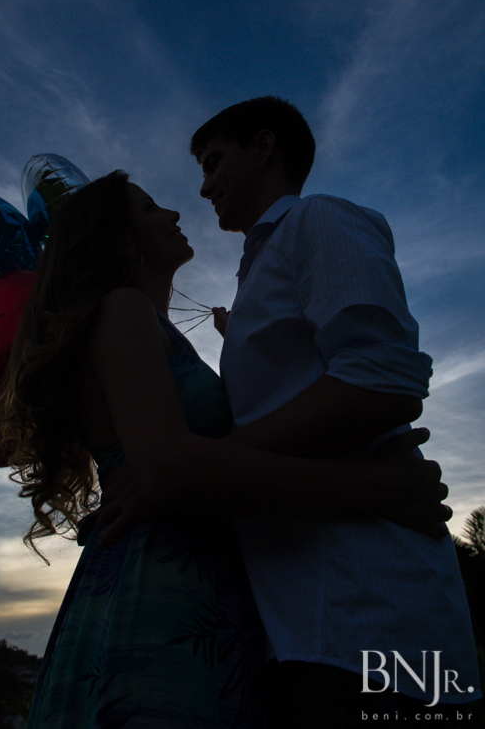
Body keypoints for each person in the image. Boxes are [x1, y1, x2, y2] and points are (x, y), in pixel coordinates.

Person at [0, 169, 450, 729]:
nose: (174, 214)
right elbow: (171, 471)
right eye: (151, 208)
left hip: (199, 575)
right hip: (160, 579)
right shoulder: (122, 308)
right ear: (119, 239)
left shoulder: (148, 324)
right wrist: (377, 488)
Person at [188, 96, 481, 726]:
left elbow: (384, 377)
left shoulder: (317, 220)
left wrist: (210, 467)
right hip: (299, 630)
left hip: (365, 622)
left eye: (213, 163)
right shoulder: (260, 270)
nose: (205, 186)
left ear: (263, 146)